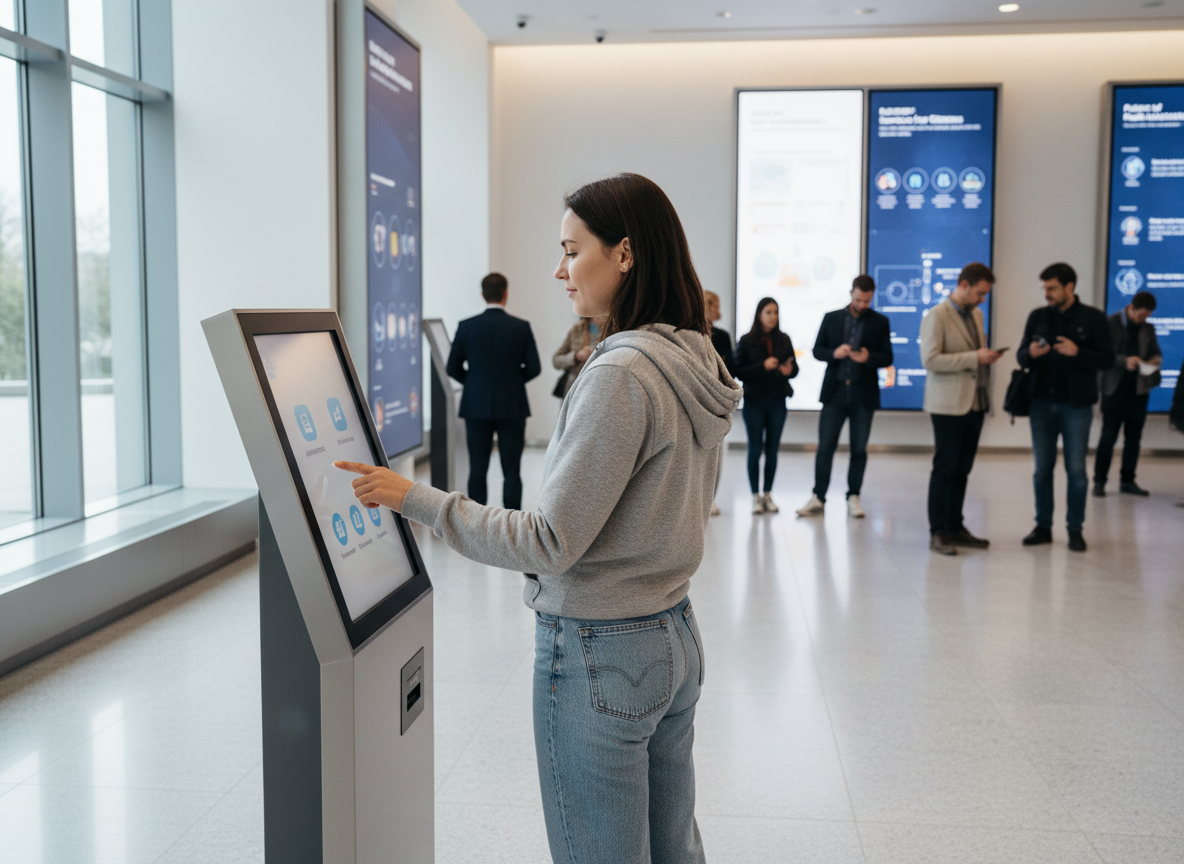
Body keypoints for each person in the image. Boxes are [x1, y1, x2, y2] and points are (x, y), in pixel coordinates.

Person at [337, 173, 741, 864]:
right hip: (673, 635)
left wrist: (414, 498)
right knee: (675, 851)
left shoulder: (622, 374)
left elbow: (549, 540)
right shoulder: (692, 354)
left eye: (570, 250)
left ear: (624, 254)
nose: (558, 270)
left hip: (602, 649)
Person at [1016, 262, 1114, 552]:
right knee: (1042, 469)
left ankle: (1075, 529)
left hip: (1076, 407)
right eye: (1044, 288)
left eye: (1052, 288)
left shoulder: (1094, 319)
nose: (1046, 293)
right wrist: (1030, 353)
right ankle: (1043, 526)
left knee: (1076, 471)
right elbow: (1022, 356)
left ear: (1069, 287)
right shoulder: (1037, 317)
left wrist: (1078, 352)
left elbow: (1108, 360)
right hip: (1041, 405)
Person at [919, 263, 1004, 555]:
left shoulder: (977, 315)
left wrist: (985, 357)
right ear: (964, 285)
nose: (983, 300)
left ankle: (955, 526)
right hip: (947, 405)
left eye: (985, 294)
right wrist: (973, 357)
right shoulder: (937, 316)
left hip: (975, 402)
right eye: (980, 293)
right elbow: (930, 361)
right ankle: (938, 531)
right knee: (945, 468)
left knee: (962, 469)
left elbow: (974, 356)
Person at [796, 275, 893, 519]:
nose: (862, 305)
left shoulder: (880, 322)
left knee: (859, 449)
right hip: (835, 392)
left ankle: (853, 496)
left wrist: (868, 358)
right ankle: (818, 497)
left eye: (867, 301)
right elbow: (817, 350)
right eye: (859, 299)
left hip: (863, 394)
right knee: (825, 447)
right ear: (851, 293)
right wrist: (835, 353)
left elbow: (887, 358)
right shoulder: (832, 318)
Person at [445, 272, 542, 510]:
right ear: (506, 294)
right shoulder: (521, 327)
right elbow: (535, 368)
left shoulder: (466, 327)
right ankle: (512, 523)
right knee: (512, 469)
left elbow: (452, 367)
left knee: (477, 468)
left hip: (476, 404)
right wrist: (513, 381)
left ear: (482, 294)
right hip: (513, 404)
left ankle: (478, 524)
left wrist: (474, 382)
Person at [1093, 290, 1162, 497]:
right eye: (1141, 315)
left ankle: (1127, 480)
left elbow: (1155, 351)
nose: (1143, 320)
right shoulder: (1110, 322)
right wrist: (1125, 361)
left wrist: (1154, 361)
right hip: (1114, 388)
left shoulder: (1148, 328)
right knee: (1108, 436)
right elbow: (1103, 356)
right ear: (1131, 308)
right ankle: (1099, 481)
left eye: (1147, 316)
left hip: (1139, 389)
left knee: (1134, 437)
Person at [735, 298, 797, 515]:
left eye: (776, 312)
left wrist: (789, 370)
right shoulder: (746, 340)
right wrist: (763, 366)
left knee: (772, 449)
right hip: (754, 401)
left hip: (777, 400)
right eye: (769, 312)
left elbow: (795, 368)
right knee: (755, 448)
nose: (773, 316)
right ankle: (755, 496)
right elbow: (739, 371)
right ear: (759, 314)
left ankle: (768, 494)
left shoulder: (784, 339)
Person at [704, 290, 735, 516]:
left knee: (716, 457)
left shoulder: (722, 336)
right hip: (698, 400)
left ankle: (710, 499)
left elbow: (728, 368)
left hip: (717, 403)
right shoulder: (690, 334)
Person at [552, 315, 605, 398]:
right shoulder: (576, 329)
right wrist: (576, 356)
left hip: (601, 387)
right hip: (574, 389)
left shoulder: (613, 329)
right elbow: (556, 360)